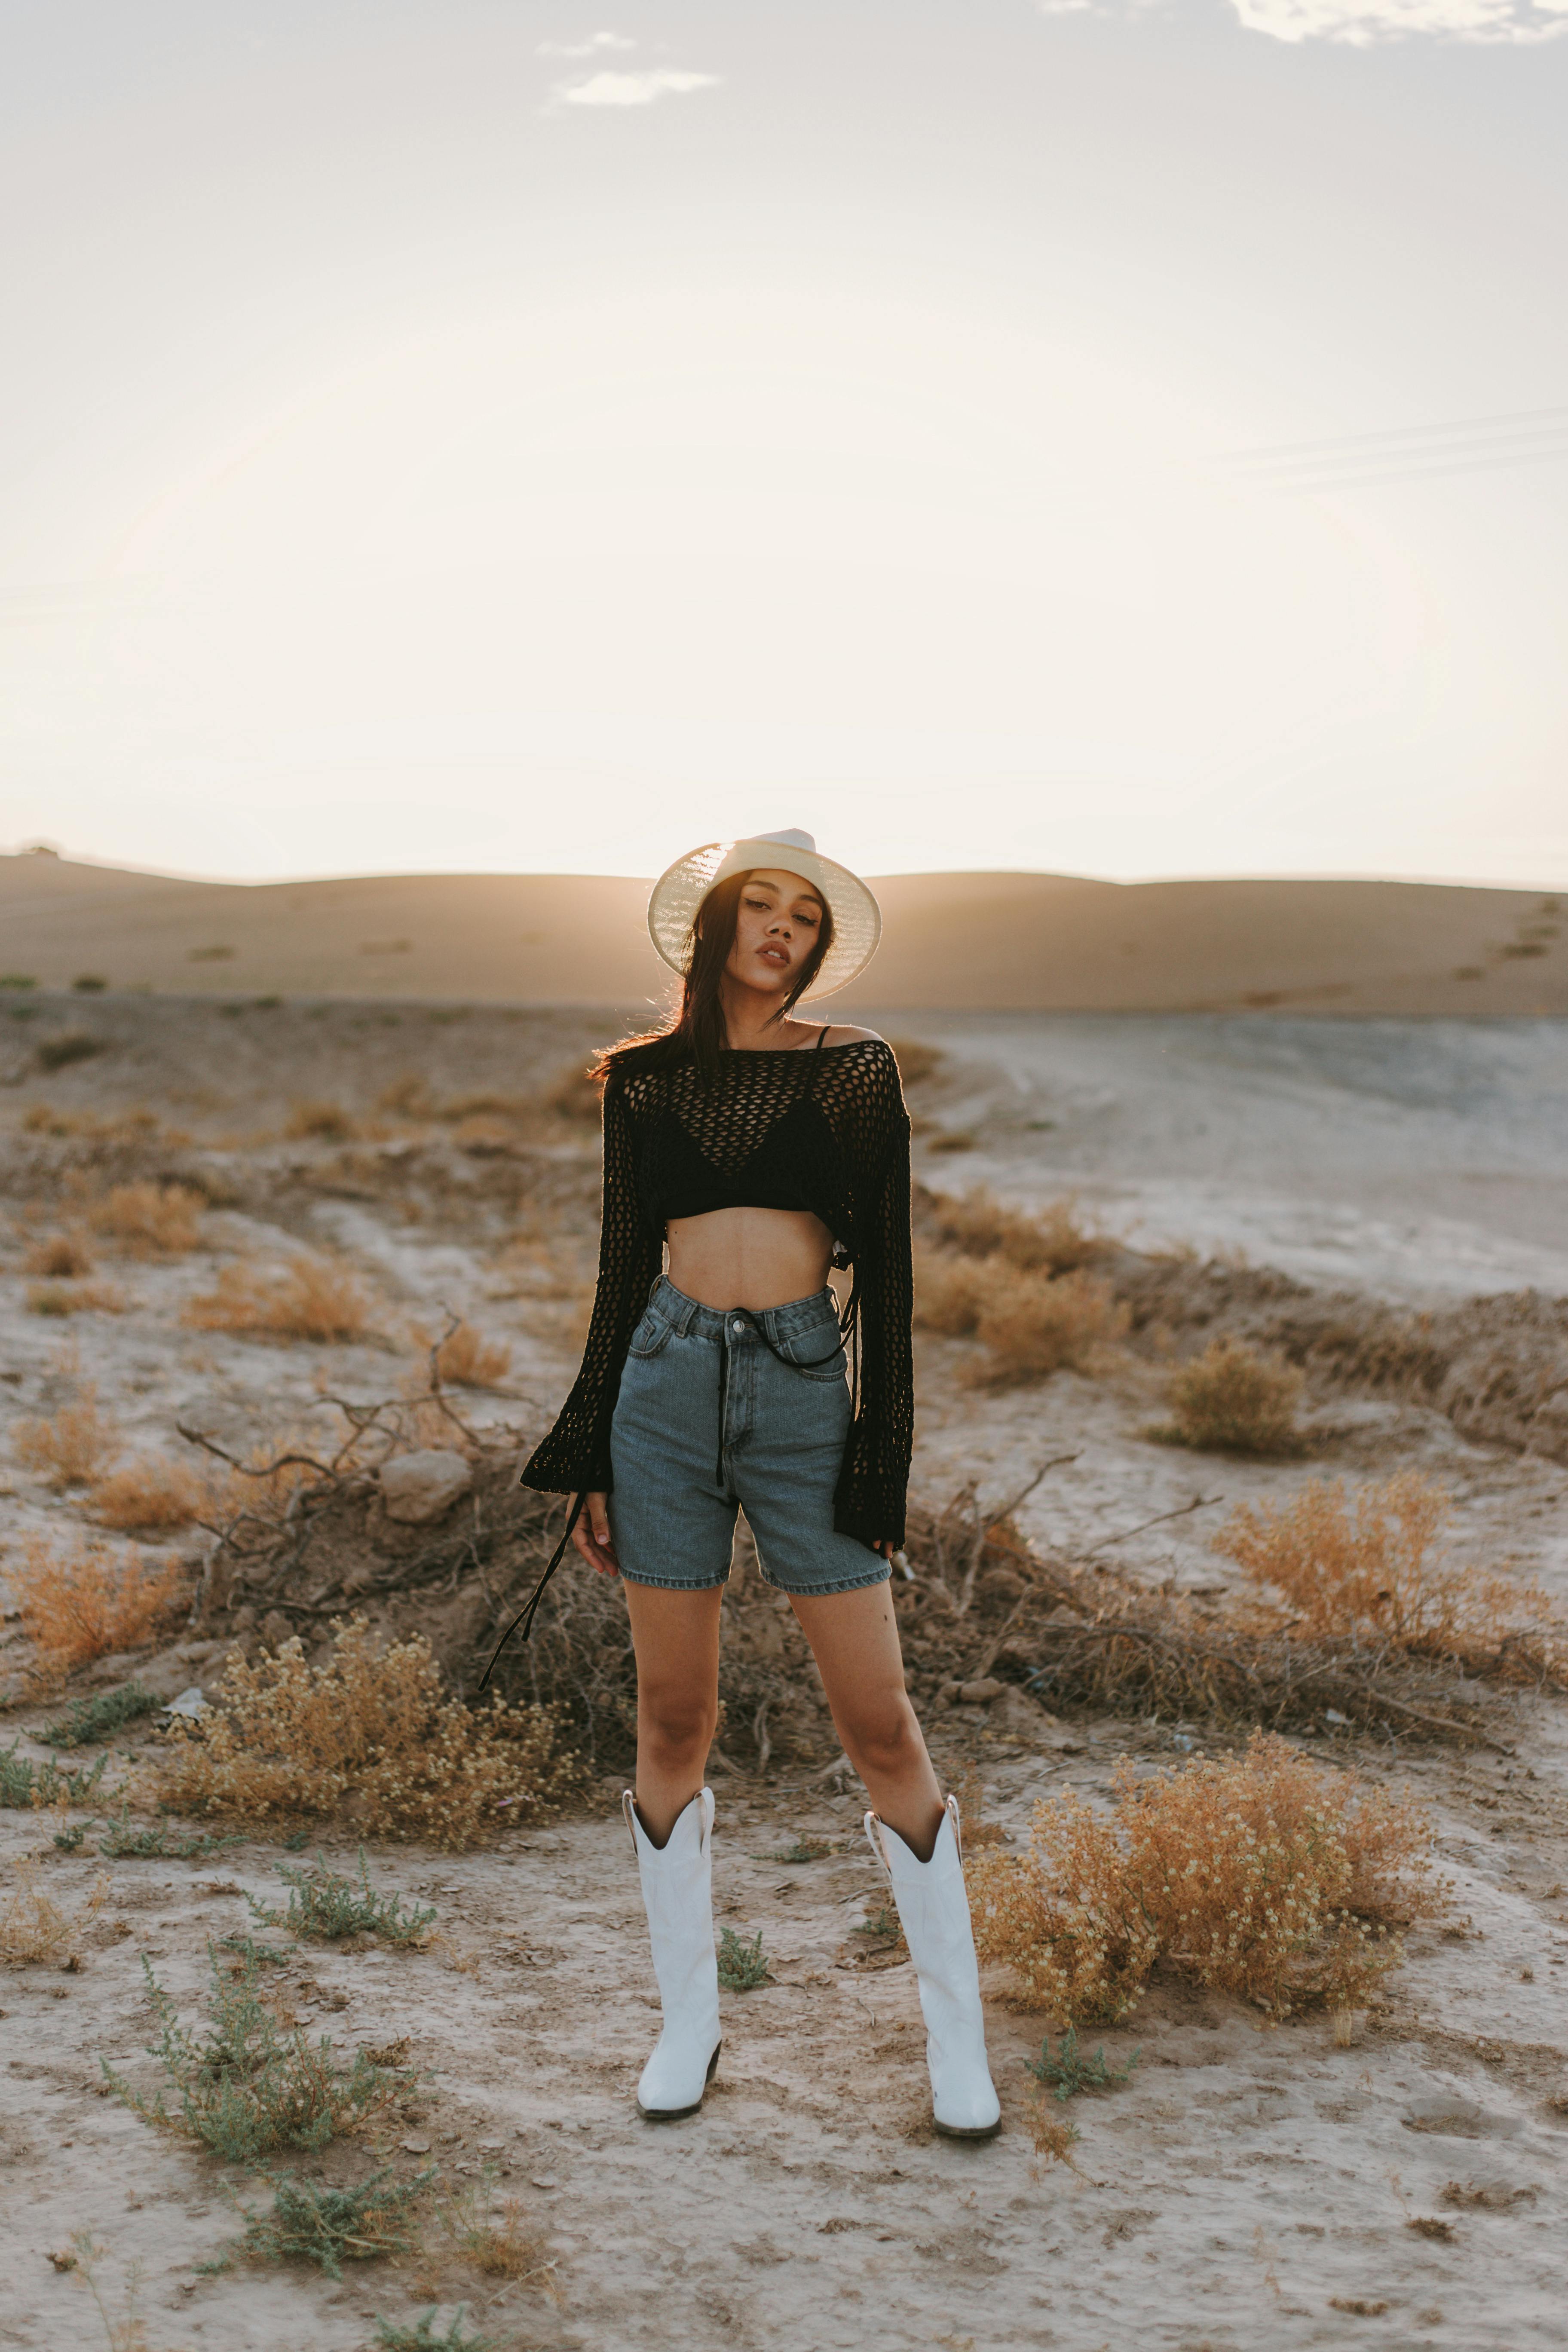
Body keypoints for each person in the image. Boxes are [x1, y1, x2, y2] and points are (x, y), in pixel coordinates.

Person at [516, 828, 999, 2139]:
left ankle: (957, 2046)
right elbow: (623, 1264)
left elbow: (889, 1274)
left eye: (805, 916)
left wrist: (877, 1457)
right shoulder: (647, 1080)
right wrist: (589, 1456)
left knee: (881, 1724)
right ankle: (689, 2023)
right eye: (763, 906)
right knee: (672, 1720)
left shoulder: (852, 1069)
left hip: (799, 1396)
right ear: (720, 923)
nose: (783, 929)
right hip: (662, 1393)